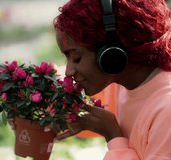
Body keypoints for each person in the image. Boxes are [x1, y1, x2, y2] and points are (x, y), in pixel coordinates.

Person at [53, 0, 171, 159]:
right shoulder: (124, 83)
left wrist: (113, 136)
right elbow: (94, 121)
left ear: (110, 54)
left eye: (76, 58)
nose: (69, 71)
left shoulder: (166, 111)